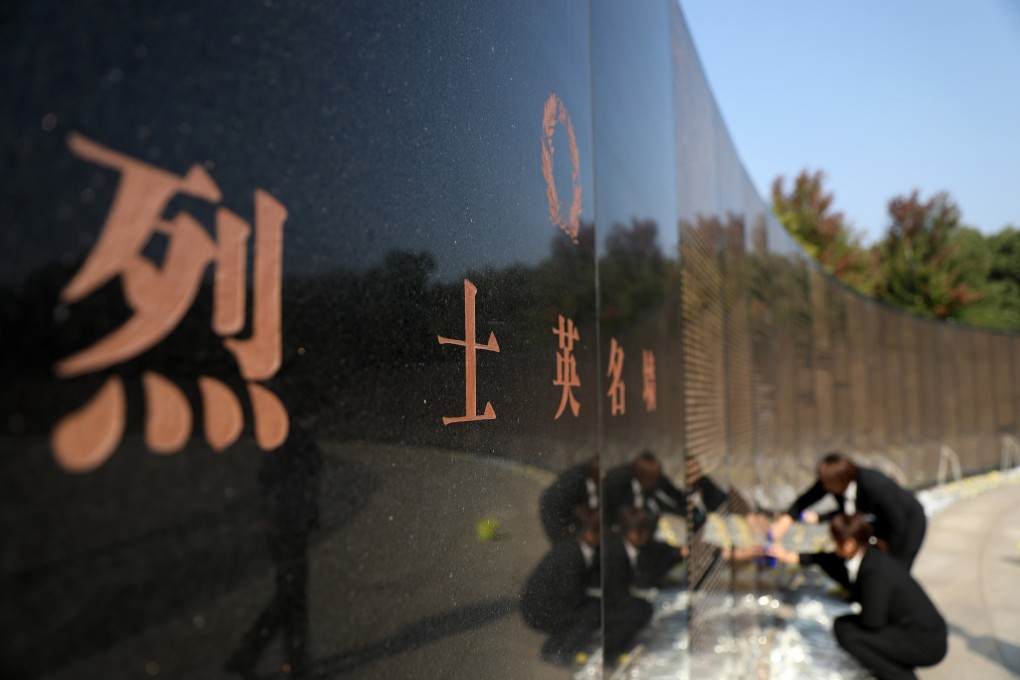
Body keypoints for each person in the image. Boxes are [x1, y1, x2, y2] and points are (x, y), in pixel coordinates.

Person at [770, 514, 947, 680]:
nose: (831, 544)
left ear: (849, 544)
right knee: (846, 626)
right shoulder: (870, 555)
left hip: (926, 643)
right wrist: (788, 555)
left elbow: (873, 621)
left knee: (849, 633)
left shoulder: (873, 572)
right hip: (923, 632)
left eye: (835, 540)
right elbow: (826, 560)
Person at [769, 452, 926, 569]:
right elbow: (809, 497)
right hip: (887, 522)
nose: (824, 488)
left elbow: (897, 522)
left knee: (896, 568)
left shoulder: (875, 486)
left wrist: (889, 553)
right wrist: (787, 519)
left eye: (826, 484)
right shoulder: (839, 482)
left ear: (838, 481)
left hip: (909, 523)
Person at [520, 507, 601, 666]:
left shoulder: (579, 545)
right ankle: (558, 651)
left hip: (549, 600)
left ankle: (558, 644)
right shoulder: (572, 555)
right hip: (538, 608)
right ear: (590, 534)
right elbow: (572, 594)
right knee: (591, 613)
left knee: (591, 609)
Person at [603, 508, 685, 659]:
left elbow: (663, 551)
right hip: (607, 602)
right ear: (631, 533)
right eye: (642, 532)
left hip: (622, 596)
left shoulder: (642, 545)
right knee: (639, 612)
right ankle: (611, 650)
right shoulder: (613, 553)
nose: (646, 536)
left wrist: (679, 553)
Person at [603, 451, 686, 529]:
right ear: (641, 477)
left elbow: (674, 493)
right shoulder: (616, 482)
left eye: (657, 478)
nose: (656, 483)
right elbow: (608, 510)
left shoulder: (654, 477)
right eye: (653, 480)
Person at [539, 455, 599, 543]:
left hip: (556, 508)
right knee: (561, 543)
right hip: (553, 510)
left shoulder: (582, 474)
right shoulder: (576, 479)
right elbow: (579, 511)